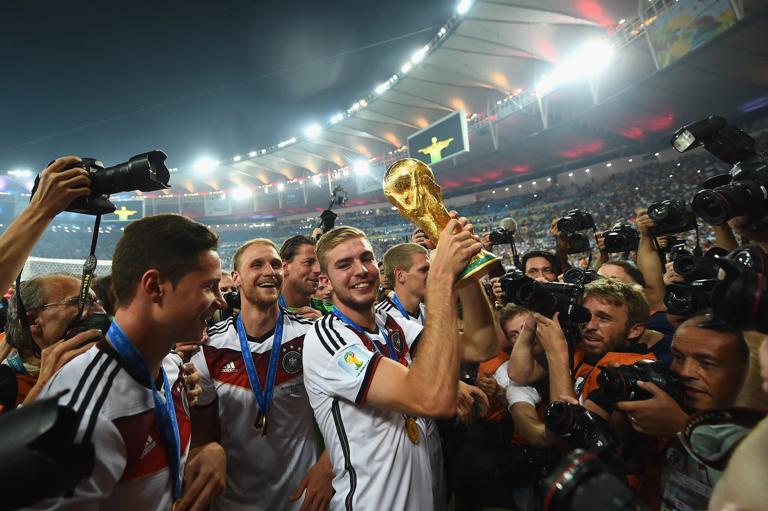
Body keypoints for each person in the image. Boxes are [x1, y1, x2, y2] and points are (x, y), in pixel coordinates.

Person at [31, 214, 227, 510]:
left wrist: (207, 451)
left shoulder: (172, 369)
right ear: (154, 286)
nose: (221, 301)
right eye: (209, 286)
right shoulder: (83, 414)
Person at [303, 218, 498, 510]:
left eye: (366, 258)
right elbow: (430, 399)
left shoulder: (390, 322)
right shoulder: (327, 339)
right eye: (344, 264)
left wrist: (466, 274)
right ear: (325, 282)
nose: (360, 270)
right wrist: (441, 278)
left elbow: (482, 344)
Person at [190, 238, 333, 511]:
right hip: (234, 502)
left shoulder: (312, 335)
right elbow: (204, 437)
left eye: (276, 264)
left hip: (302, 500)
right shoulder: (209, 347)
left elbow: (346, 412)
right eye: (257, 265)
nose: (270, 271)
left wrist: (328, 464)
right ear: (237, 278)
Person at [614, 316, 749, 510]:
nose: (685, 372)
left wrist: (682, 428)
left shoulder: (756, 434)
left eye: (706, 363)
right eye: (678, 357)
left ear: (741, 371)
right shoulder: (656, 412)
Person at [376, 242, 446, 508]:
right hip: (402, 425)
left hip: (432, 421)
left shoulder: (428, 313)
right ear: (400, 275)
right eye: (424, 269)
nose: (431, 274)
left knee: (436, 495)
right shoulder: (382, 319)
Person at [3, 274, 108, 406]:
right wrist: (43, 387)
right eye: (81, 302)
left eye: (96, 302)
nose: (101, 311)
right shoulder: (9, 383)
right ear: (32, 321)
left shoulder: (96, 359)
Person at [278, 235, 329, 318]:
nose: (318, 269)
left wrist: (322, 326)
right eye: (308, 262)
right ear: (285, 267)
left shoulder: (329, 314)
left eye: (320, 263)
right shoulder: (265, 313)